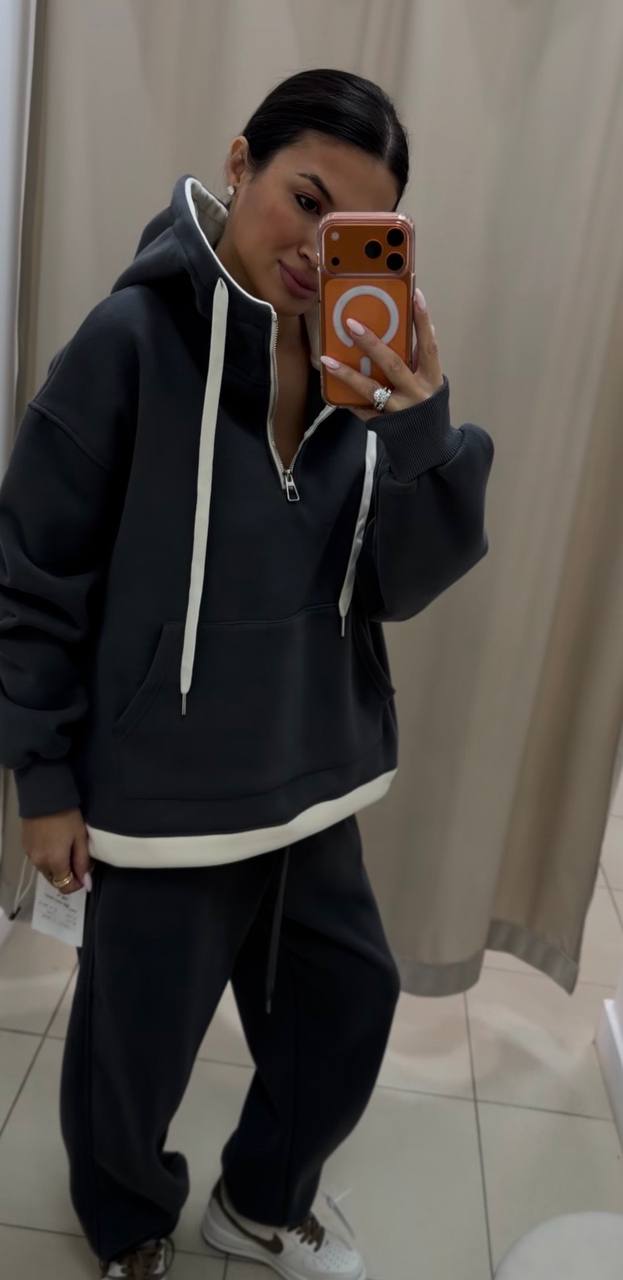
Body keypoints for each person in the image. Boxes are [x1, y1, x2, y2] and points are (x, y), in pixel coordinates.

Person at [0, 67, 494, 1280]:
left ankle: (260, 1200)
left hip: (307, 773)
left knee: (347, 1004)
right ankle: (127, 1223)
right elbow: (32, 571)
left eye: (357, 232)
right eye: (305, 202)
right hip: (161, 793)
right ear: (238, 164)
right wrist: (43, 777)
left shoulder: (356, 373)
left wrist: (417, 430)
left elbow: (399, 585)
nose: (320, 253)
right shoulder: (127, 345)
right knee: (131, 1053)